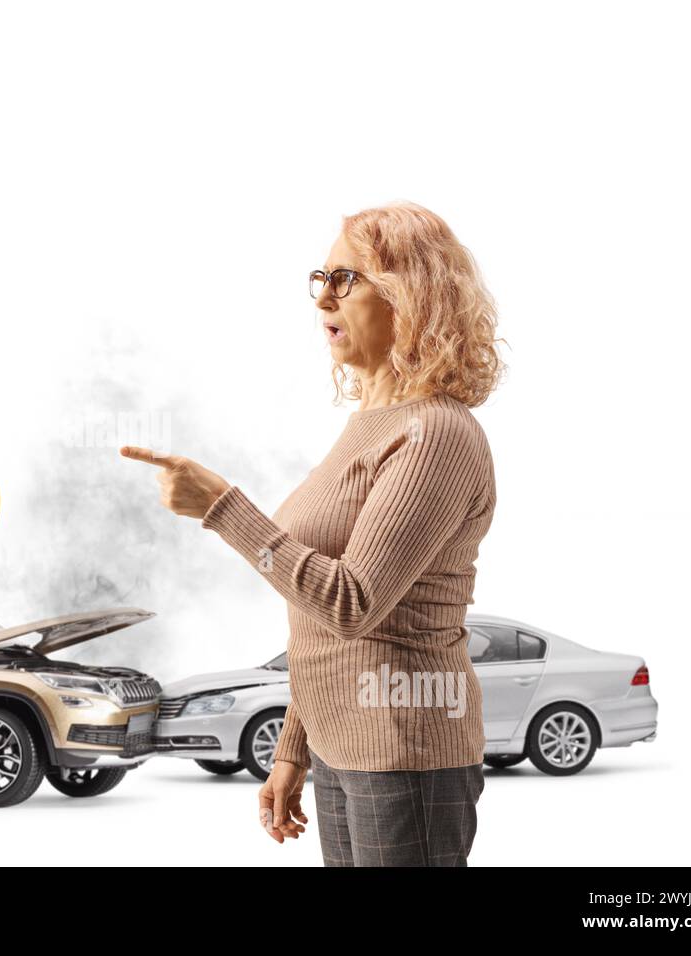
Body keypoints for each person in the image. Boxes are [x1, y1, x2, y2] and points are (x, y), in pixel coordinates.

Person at [122, 201, 504, 866]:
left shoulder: (436, 434)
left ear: (409, 295)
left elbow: (352, 604)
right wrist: (294, 748)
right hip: (343, 748)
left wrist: (223, 508)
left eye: (347, 278)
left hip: (405, 749)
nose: (323, 295)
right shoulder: (371, 423)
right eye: (321, 277)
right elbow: (317, 622)